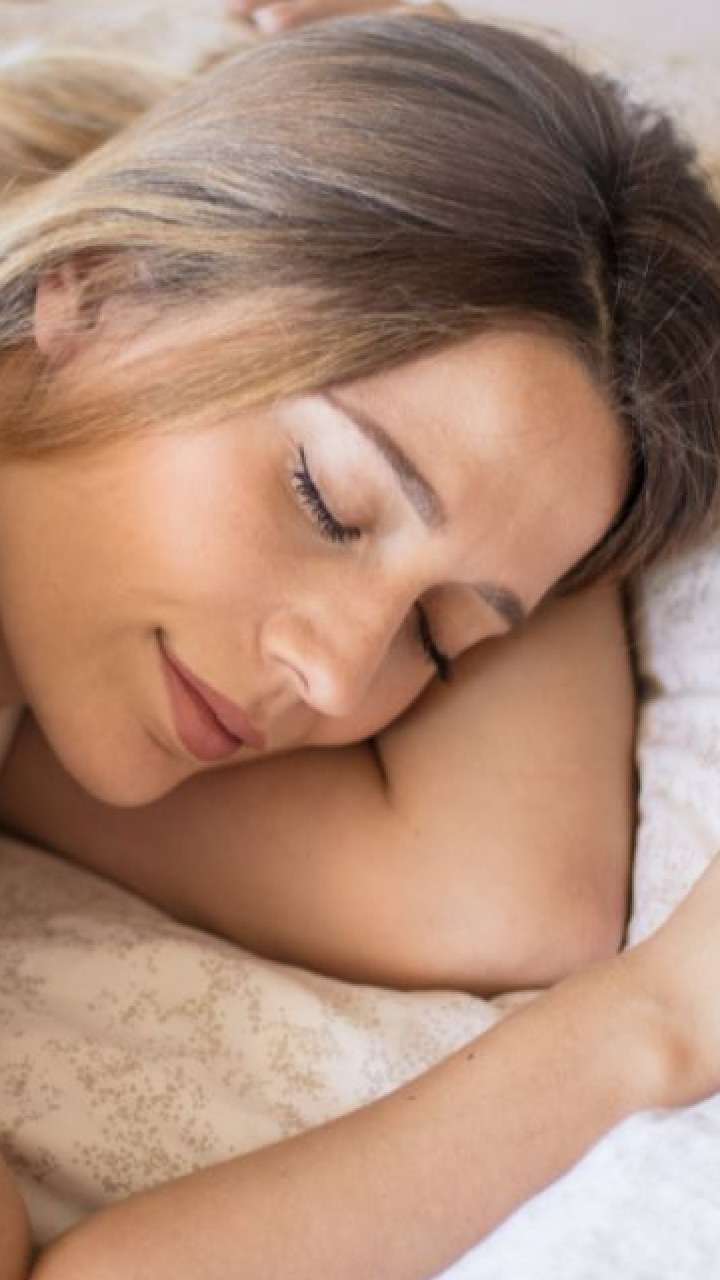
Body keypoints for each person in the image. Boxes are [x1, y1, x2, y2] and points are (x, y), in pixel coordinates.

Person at [0, 9, 720, 1279]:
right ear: (102, 284)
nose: (337, 674)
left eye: (438, 638)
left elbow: (498, 891)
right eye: (327, 500)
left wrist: (653, 1019)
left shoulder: (62, 659)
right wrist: (636, 1033)